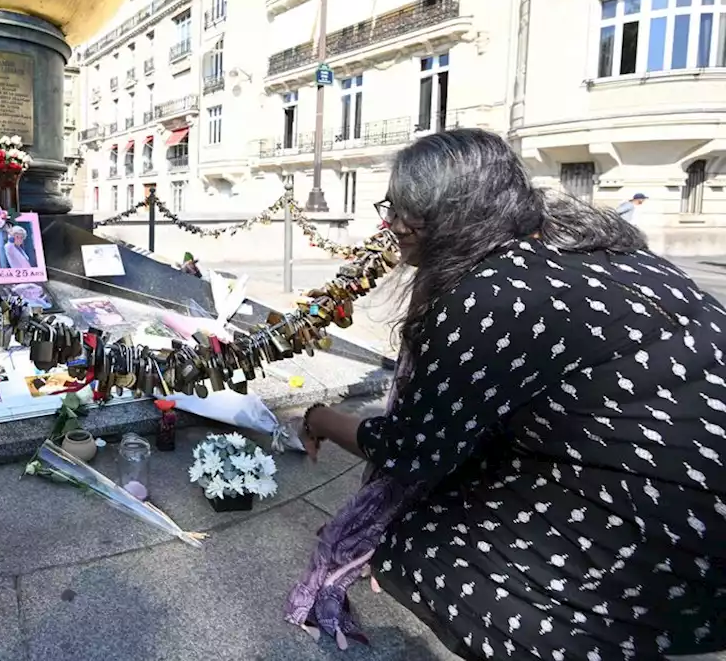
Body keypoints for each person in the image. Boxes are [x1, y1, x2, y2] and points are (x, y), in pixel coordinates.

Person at [290, 129, 726, 659]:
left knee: (417, 539)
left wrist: (321, 417)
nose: (393, 225)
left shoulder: (485, 297)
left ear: (451, 218)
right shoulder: (595, 244)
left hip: (679, 536)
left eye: (406, 212)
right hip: (697, 473)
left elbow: (411, 449)